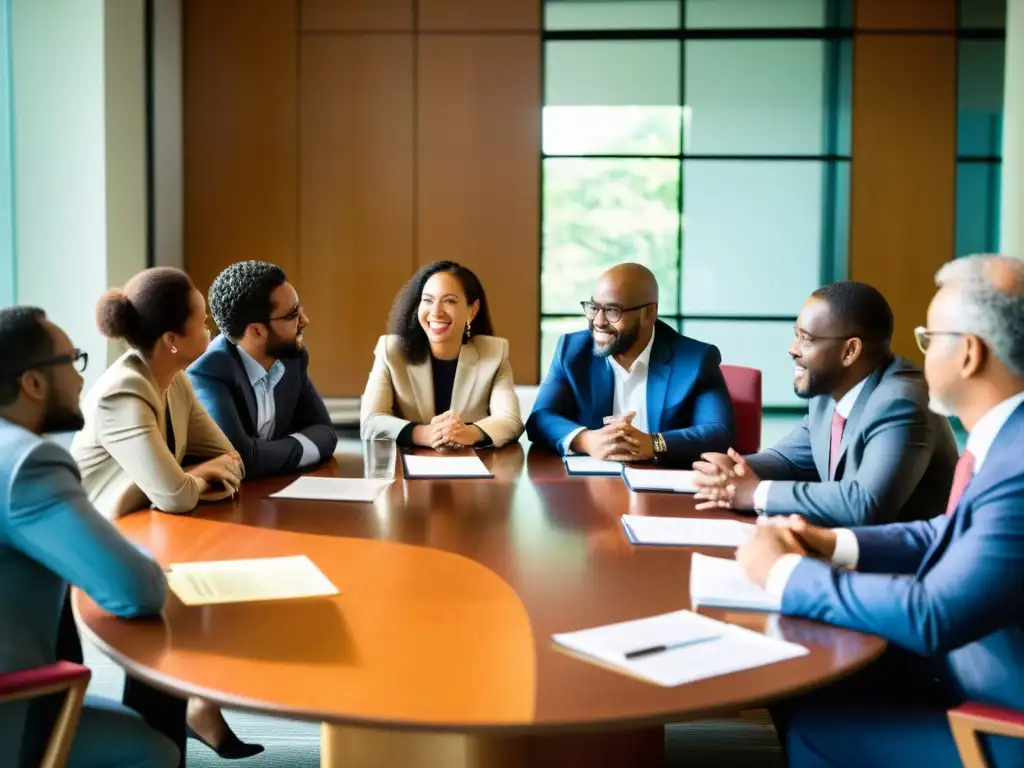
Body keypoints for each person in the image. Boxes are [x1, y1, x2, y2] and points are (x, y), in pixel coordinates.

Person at [735, 254, 1024, 768]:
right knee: (799, 674)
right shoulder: (1005, 437)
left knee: (815, 729)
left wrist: (786, 574)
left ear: (970, 354)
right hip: (965, 661)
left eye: (930, 338)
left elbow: (934, 614)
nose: (918, 355)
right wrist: (834, 543)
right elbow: (947, 531)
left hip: (999, 717)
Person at [69, 267, 262, 760]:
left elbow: (228, 458)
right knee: (174, 606)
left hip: (147, 530)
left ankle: (182, 717)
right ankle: (163, 734)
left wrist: (193, 476)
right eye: (202, 322)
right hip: (95, 546)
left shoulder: (173, 379)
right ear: (173, 339)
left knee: (222, 579)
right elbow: (176, 493)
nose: (212, 333)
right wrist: (195, 477)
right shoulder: (123, 391)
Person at [0, 306, 178, 768]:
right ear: (33, 383)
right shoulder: (27, 464)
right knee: (156, 751)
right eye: (73, 360)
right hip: (11, 713)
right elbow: (137, 591)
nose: (83, 378)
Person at [692, 281, 959, 527]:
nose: (792, 348)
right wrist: (735, 469)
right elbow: (789, 460)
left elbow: (863, 504)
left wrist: (755, 492)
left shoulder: (900, 403)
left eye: (806, 339)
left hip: (903, 563)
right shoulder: (828, 391)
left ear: (850, 351)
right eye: (796, 334)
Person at [526, 263, 735, 466]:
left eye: (612, 311)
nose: (598, 321)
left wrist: (653, 443)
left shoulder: (696, 359)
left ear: (649, 313)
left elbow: (719, 432)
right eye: (594, 308)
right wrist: (587, 440)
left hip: (663, 488)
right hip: (590, 485)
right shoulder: (572, 351)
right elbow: (540, 418)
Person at [187, 261, 337, 479]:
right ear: (257, 331)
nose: (304, 320)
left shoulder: (293, 359)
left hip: (277, 492)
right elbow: (241, 459)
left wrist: (270, 454)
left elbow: (326, 431)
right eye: (292, 314)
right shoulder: (208, 373)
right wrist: (298, 446)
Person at [361, 260, 524, 448]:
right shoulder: (391, 350)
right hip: (405, 468)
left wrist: (468, 433)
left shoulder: (493, 353)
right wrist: (424, 434)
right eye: (428, 300)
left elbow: (510, 420)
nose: (436, 312)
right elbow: (371, 421)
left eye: (449, 301)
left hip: (472, 468)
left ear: (473, 310)